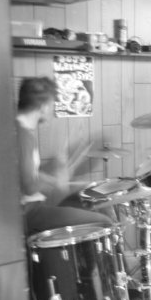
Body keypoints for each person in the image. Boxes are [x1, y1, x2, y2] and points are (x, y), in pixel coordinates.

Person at [17, 76, 112, 235]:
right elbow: (29, 188)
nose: (51, 110)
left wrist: (53, 171)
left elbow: (23, 176)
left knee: (92, 205)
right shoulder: (23, 136)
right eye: (52, 105)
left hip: (28, 210)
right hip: (29, 213)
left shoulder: (18, 129)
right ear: (44, 106)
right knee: (104, 221)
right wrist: (55, 180)